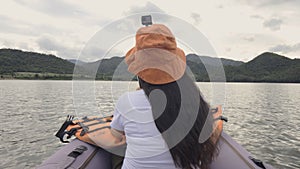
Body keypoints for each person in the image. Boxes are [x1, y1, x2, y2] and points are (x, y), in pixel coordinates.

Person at [109, 24, 218, 169]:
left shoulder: (127, 101)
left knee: (116, 153)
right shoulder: (194, 100)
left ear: (140, 70)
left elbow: (116, 135)